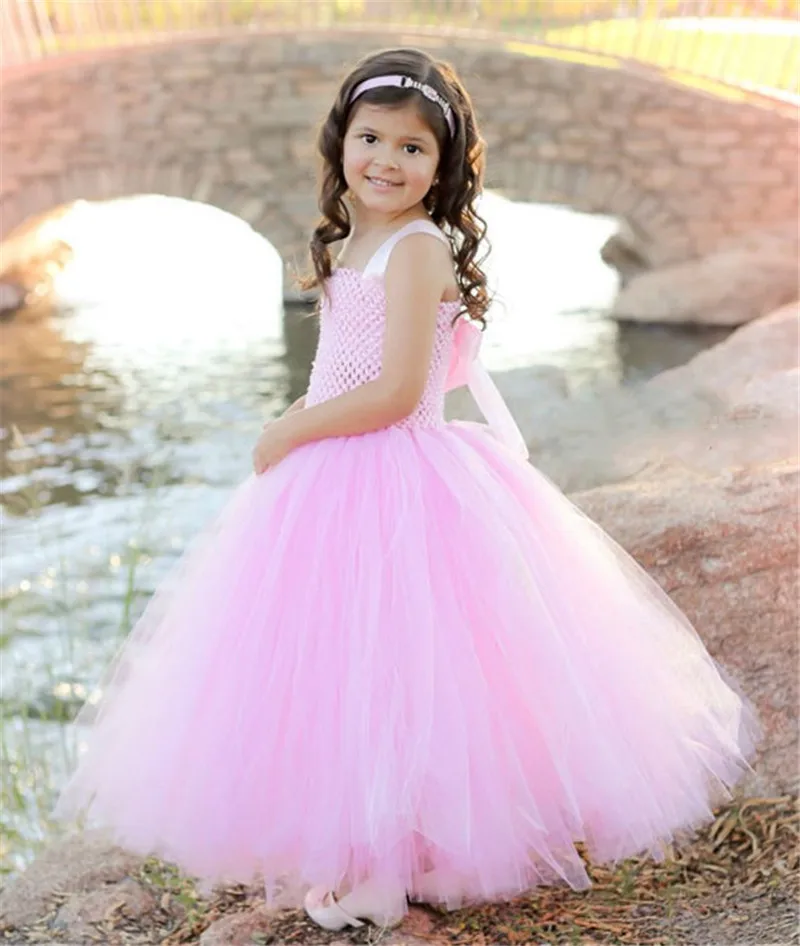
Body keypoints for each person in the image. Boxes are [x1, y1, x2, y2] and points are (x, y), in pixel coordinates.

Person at [54, 46, 760, 933]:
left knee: (408, 669)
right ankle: (361, 843)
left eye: (413, 148)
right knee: (338, 668)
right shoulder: (353, 238)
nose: (387, 160)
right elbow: (341, 367)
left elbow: (394, 392)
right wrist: (303, 422)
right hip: (334, 473)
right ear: (340, 143)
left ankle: (393, 868)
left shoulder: (421, 248)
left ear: (445, 165)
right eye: (371, 138)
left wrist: (289, 430)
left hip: (399, 472)